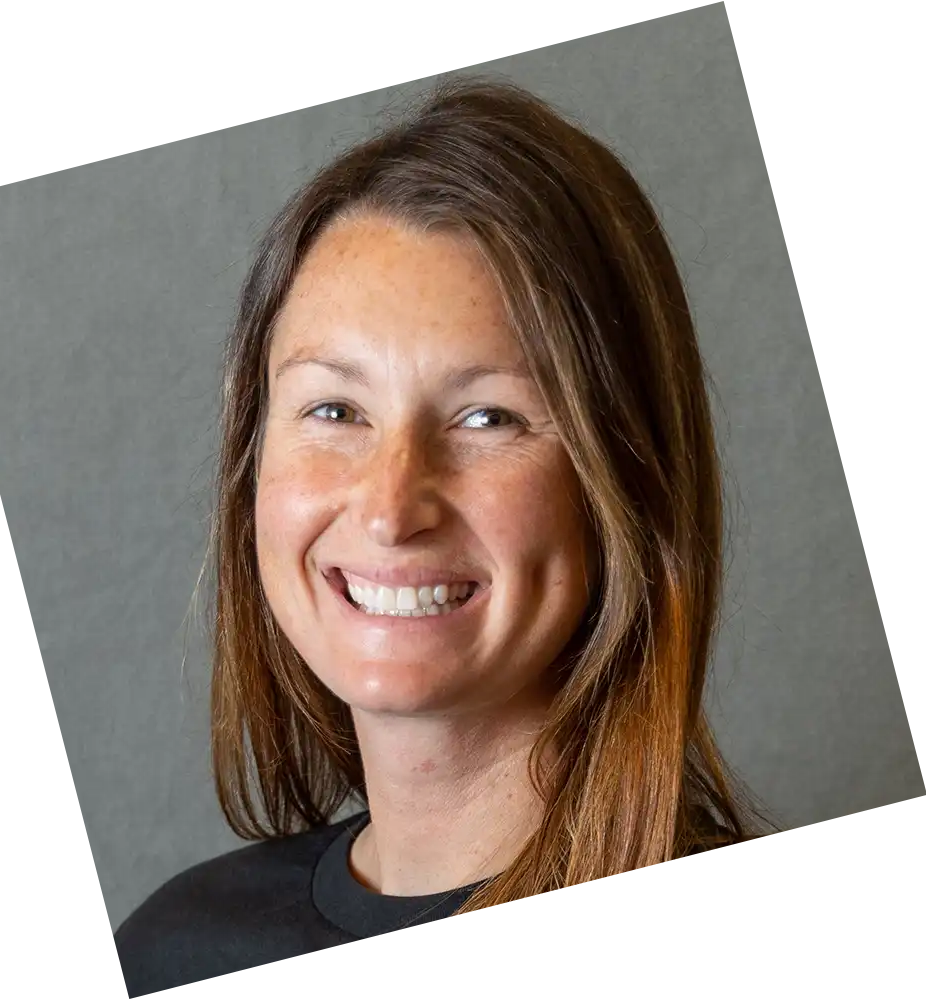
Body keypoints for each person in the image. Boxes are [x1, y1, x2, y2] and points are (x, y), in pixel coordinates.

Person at [111, 72, 769, 995]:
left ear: (625, 482)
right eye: (335, 409)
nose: (390, 506)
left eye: (488, 419)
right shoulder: (175, 958)